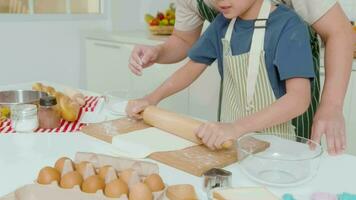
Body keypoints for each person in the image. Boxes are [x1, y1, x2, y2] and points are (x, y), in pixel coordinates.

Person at [128, 0, 354, 154]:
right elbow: (191, 65)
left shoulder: (289, 25)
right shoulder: (222, 24)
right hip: (234, 142)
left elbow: (298, 99)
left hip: (279, 147)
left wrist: (331, 106)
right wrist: (152, 98)